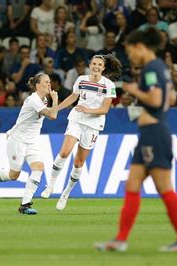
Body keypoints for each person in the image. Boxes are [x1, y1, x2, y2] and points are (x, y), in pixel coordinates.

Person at [94, 28, 177, 253]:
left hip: (155, 134)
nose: (129, 57)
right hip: (151, 134)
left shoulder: (150, 68)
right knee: (132, 185)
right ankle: (120, 240)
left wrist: (133, 90)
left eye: (130, 52)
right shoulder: (161, 68)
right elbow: (171, 96)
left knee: (164, 187)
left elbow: (156, 99)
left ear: (140, 47)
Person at [40, 54, 122, 211]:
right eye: (94, 64)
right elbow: (73, 97)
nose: (96, 66)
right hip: (77, 119)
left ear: (103, 68)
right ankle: (50, 185)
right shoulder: (81, 79)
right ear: (90, 65)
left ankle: (66, 193)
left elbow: (105, 109)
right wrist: (56, 108)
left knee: (78, 163)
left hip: (93, 125)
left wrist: (88, 110)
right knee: (64, 152)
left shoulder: (109, 85)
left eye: (99, 64)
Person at [0, 73, 59, 215]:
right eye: (46, 82)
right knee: (13, 175)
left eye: (49, 82)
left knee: (38, 168)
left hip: (33, 141)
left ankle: (25, 205)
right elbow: (53, 116)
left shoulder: (44, 100)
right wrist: (56, 100)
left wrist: (53, 101)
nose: (49, 84)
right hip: (18, 140)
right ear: (37, 86)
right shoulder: (34, 99)